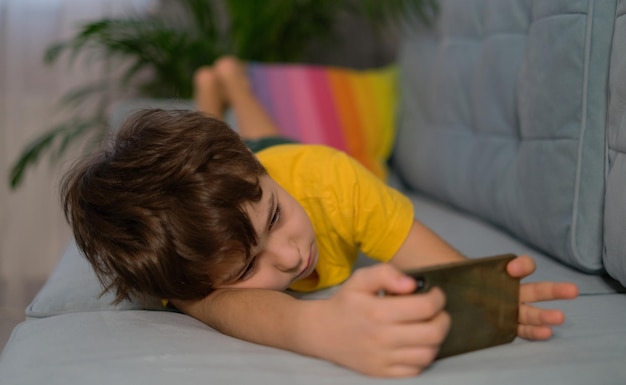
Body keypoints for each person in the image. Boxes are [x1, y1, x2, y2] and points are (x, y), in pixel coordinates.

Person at [61, 56, 579, 378]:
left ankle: (234, 86)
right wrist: (322, 329)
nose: (291, 255)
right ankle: (216, 88)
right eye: (246, 270)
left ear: (262, 176)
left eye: (277, 218)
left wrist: (492, 294)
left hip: (286, 158)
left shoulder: (332, 183)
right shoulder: (185, 254)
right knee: (241, 151)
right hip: (259, 171)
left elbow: (452, 273)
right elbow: (218, 307)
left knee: (268, 136)